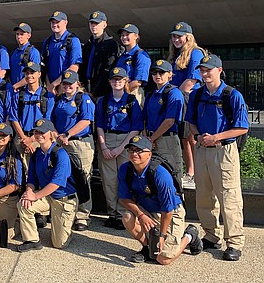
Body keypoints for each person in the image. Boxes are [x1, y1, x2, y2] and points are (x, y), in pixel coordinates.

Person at [186, 54, 248, 261]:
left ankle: (234, 242)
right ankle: (211, 235)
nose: (204, 74)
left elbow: (241, 127)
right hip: (202, 150)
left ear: (219, 70)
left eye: (208, 70)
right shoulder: (196, 95)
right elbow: (191, 121)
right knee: (204, 196)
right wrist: (197, 136)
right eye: (202, 70)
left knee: (229, 198)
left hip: (224, 151)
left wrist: (216, 137)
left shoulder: (232, 95)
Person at [118, 135, 203, 264]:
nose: (134, 154)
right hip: (147, 210)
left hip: (171, 213)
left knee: (164, 260)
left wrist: (162, 236)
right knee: (127, 217)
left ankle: (189, 235)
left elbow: (167, 209)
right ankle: (148, 248)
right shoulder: (125, 169)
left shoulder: (160, 174)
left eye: (139, 150)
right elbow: (124, 199)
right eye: (131, 150)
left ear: (149, 154)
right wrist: (140, 215)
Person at [17, 119, 77, 251]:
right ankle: (32, 240)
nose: (39, 135)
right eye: (36, 132)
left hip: (63, 200)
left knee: (59, 244)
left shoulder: (60, 154)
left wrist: (35, 195)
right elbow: (31, 178)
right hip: (47, 197)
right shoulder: (36, 155)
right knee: (23, 203)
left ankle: (67, 229)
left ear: (51, 134)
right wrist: (29, 193)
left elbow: (56, 183)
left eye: (42, 132)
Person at [95, 67, 143, 230]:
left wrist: (122, 148)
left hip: (126, 140)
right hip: (106, 139)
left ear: (125, 82)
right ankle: (113, 213)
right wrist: (103, 147)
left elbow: (136, 127)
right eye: (114, 79)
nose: (117, 82)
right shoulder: (102, 100)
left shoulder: (131, 100)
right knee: (109, 180)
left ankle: (124, 213)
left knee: (125, 178)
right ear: (110, 82)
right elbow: (99, 125)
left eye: (120, 80)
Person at [53, 69, 95, 231]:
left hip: (80, 143)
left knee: (83, 178)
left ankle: (83, 215)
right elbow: (51, 119)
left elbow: (86, 121)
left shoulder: (84, 99)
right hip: (62, 143)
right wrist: (58, 135)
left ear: (77, 84)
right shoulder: (59, 100)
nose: (67, 86)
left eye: (70, 83)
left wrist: (68, 134)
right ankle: (67, 211)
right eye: (65, 83)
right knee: (65, 176)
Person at [169, 21, 206, 190]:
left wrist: (174, 94)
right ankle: (190, 172)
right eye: (174, 36)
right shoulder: (177, 55)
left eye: (179, 36)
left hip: (190, 100)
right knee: (185, 138)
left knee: (191, 137)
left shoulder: (195, 53)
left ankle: (194, 173)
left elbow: (191, 81)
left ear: (188, 37)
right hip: (180, 100)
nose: (176, 39)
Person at [8, 61, 54, 168]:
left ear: (39, 74)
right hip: (21, 138)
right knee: (21, 172)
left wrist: (32, 139)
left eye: (32, 73)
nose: (29, 76)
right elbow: (14, 118)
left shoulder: (47, 96)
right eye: (27, 73)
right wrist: (25, 139)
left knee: (40, 170)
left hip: (41, 139)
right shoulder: (18, 95)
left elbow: (47, 120)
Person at [143, 60, 184, 179]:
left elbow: (169, 121)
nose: (157, 75)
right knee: (153, 175)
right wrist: (147, 138)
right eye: (154, 73)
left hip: (167, 139)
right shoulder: (150, 94)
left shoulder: (174, 93)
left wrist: (152, 139)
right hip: (151, 139)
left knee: (173, 174)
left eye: (161, 72)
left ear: (170, 74)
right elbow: (144, 119)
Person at [80, 11, 121, 98]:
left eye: (97, 23)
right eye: (91, 23)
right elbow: (82, 67)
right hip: (86, 89)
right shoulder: (87, 45)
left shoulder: (111, 44)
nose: (93, 26)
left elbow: (108, 69)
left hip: (102, 91)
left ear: (104, 25)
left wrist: (95, 92)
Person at [41, 11, 82, 95]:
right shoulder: (47, 42)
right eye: (53, 22)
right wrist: (49, 85)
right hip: (50, 89)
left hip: (66, 87)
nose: (55, 24)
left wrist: (56, 83)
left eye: (57, 22)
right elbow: (44, 66)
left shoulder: (73, 40)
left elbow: (74, 67)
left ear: (65, 22)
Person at [116, 23, 151, 107]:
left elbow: (138, 81)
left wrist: (124, 94)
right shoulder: (122, 56)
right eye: (122, 35)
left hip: (134, 92)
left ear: (136, 36)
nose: (124, 37)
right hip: (120, 92)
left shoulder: (141, 55)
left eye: (127, 34)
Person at [9, 22, 41, 88]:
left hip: (26, 90)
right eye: (17, 34)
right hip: (14, 91)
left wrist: (16, 86)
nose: (19, 37)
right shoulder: (13, 53)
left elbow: (34, 74)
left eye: (22, 34)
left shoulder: (33, 52)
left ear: (29, 36)